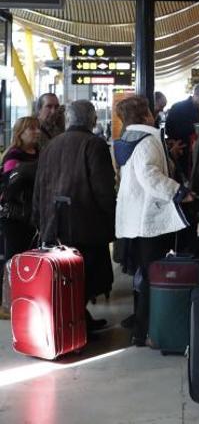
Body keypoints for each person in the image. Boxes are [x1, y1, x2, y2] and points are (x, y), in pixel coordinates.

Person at [114, 96, 193, 345]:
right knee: (152, 275)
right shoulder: (147, 140)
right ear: (146, 115)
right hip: (149, 219)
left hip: (133, 217)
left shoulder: (127, 140)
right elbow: (150, 175)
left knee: (142, 274)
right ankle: (144, 330)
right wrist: (179, 192)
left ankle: (140, 323)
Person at [34, 101, 117, 332]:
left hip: (54, 223)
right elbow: (103, 188)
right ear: (93, 120)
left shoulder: (51, 144)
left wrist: (39, 218)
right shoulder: (94, 144)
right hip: (86, 224)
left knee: (66, 277)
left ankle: (76, 320)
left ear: (69, 119)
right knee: (85, 277)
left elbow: (40, 185)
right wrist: (111, 216)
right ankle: (76, 324)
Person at [0, 117, 40, 319]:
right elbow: (10, 187)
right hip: (14, 216)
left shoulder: (39, 152)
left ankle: (25, 298)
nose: (36, 132)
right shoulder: (13, 156)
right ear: (20, 132)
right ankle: (7, 303)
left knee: (28, 258)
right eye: (31, 129)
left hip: (31, 216)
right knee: (13, 259)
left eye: (36, 128)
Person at [165, 83, 199, 173]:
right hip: (180, 151)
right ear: (197, 95)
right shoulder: (178, 108)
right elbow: (169, 129)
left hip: (197, 152)